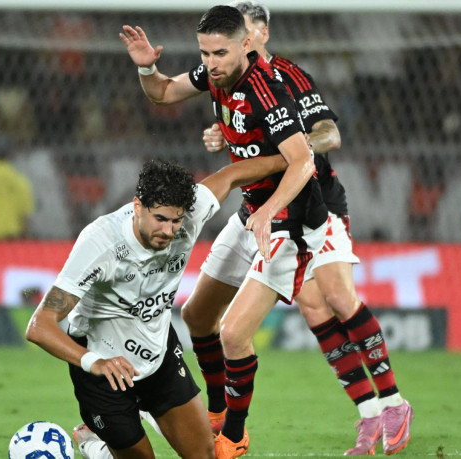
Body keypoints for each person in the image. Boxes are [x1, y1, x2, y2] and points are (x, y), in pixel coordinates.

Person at [191, 2, 414, 456]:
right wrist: (223, 136)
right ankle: (369, 414)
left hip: (313, 202)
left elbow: (328, 136)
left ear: (261, 36)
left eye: (251, 33)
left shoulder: (287, 78)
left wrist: (284, 145)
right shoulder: (226, 79)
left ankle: (392, 402)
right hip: (261, 207)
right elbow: (227, 122)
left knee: (337, 297)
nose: (246, 43)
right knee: (313, 311)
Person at [120, 6, 329, 458]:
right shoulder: (215, 74)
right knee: (196, 317)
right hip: (251, 211)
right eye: (204, 52)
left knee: (234, 333)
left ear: (245, 45)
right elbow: (162, 92)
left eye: (220, 52)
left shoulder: (267, 89)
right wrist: (146, 67)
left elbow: (304, 161)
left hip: (288, 221)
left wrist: (269, 211)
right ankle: (215, 411)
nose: (211, 62)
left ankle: (233, 436)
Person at [25, 156, 288, 459]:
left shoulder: (190, 214)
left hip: (156, 353)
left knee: (205, 456)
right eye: (160, 219)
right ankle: (95, 445)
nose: (168, 230)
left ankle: (146, 409)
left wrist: (294, 155)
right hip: (105, 369)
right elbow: (39, 325)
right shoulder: (101, 243)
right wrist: (93, 361)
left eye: (176, 220)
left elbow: (232, 174)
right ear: (138, 206)